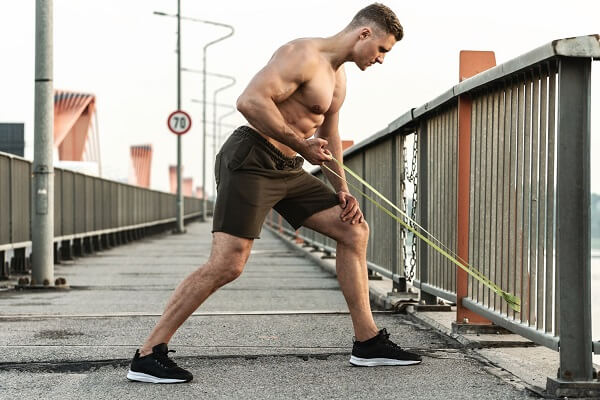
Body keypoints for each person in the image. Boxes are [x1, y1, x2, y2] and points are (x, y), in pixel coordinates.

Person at [127, 3, 421, 384]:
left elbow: (329, 135)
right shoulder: (302, 55)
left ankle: (368, 342)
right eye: (382, 49)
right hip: (251, 158)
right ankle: (148, 354)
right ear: (364, 33)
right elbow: (249, 101)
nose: (381, 59)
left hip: (288, 167)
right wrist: (301, 144)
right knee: (228, 264)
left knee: (353, 229)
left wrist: (343, 191)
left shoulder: (339, 79)